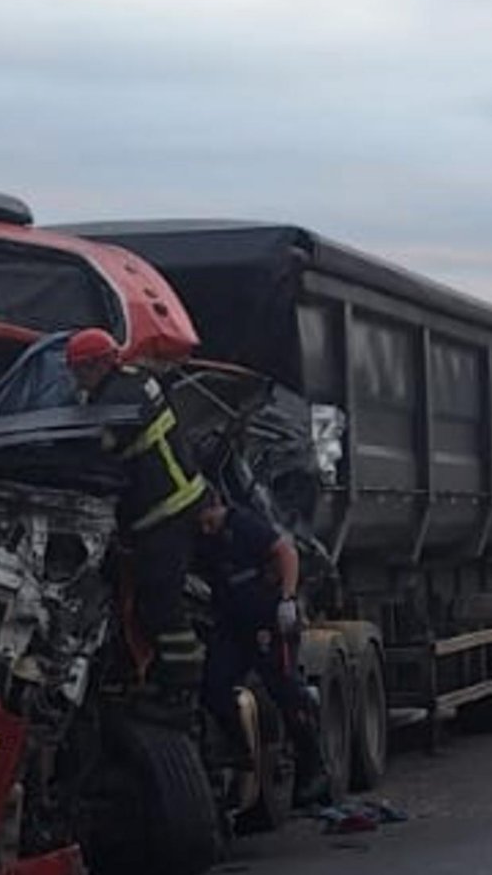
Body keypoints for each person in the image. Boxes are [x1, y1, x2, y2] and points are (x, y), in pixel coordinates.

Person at [66, 328, 209, 701]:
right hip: (167, 508)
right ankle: (149, 674)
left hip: (166, 511)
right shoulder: (134, 381)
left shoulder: (119, 399)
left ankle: (182, 688)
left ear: (100, 363)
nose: (77, 379)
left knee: (160, 602)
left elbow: (98, 449)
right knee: (141, 597)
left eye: (80, 370)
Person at [192, 491, 332, 808]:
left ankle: (314, 769)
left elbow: (286, 552)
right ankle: (240, 751)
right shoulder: (204, 539)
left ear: (217, 508)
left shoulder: (243, 525)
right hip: (233, 625)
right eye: (200, 523)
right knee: (214, 685)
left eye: (208, 521)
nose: (205, 528)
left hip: (267, 622)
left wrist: (287, 599)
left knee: (285, 690)